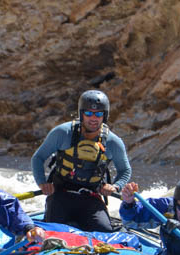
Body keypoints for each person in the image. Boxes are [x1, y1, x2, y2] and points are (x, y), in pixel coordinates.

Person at [31, 90, 131, 232]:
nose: (93, 118)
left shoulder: (113, 142)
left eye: (98, 114)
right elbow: (38, 158)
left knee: (105, 233)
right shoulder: (62, 133)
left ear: (105, 115)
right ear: (81, 113)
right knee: (53, 232)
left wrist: (115, 187)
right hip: (60, 194)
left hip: (91, 197)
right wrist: (42, 182)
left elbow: (125, 170)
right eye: (88, 113)